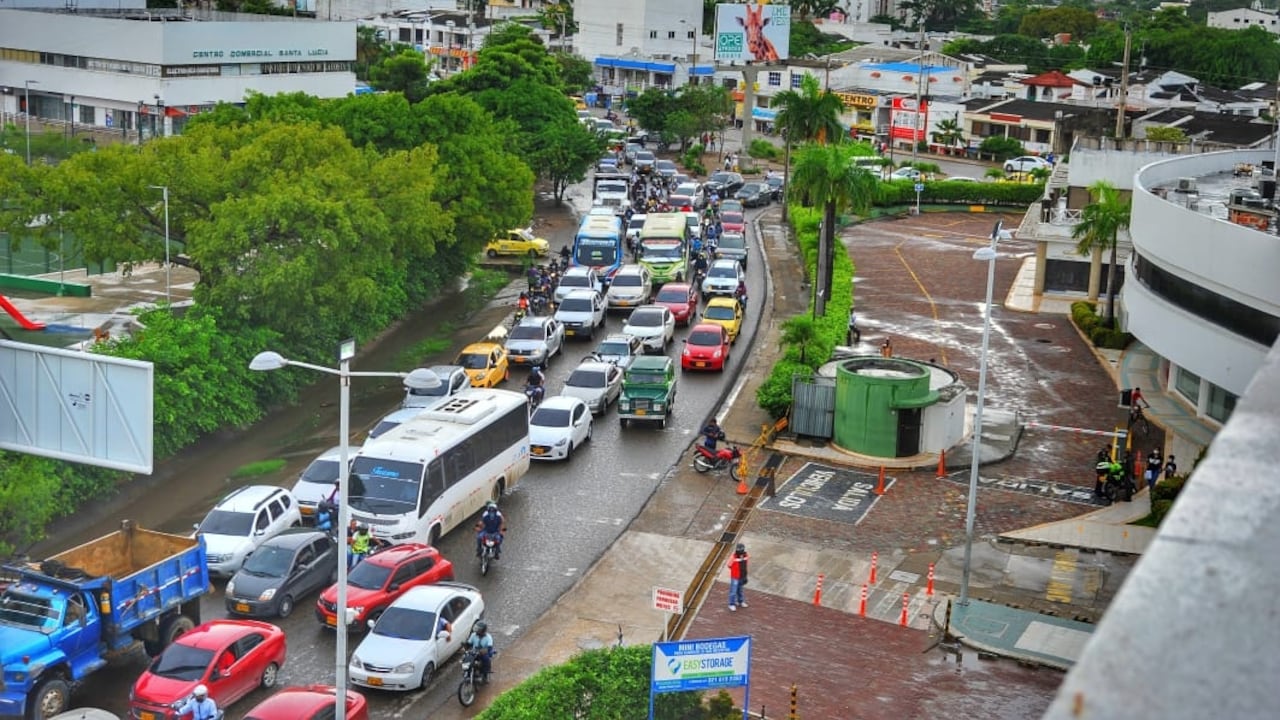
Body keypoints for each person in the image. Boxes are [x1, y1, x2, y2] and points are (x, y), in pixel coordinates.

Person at [727, 543, 749, 611]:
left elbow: (745, 565)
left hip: (742, 576)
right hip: (735, 577)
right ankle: (731, 604)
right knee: (733, 591)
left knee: (740, 590)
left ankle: (740, 601)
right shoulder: (734, 557)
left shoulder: (746, 556)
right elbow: (729, 565)